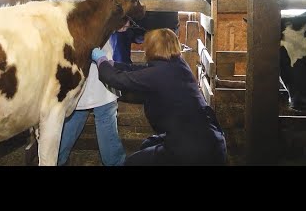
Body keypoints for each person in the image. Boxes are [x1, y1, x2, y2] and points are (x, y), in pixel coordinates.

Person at [47, 0, 126, 166]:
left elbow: (92, 4)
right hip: (80, 44)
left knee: (80, 109)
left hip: (87, 44)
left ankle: (55, 160)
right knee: (100, 109)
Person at [91, 28, 227, 166]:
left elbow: (116, 79)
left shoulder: (157, 74)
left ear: (151, 48)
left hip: (191, 150)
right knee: (149, 143)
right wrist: (113, 64)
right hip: (212, 141)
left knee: (132, 163)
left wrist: (101, 60)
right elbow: (140, 71)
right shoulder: (179, 65)